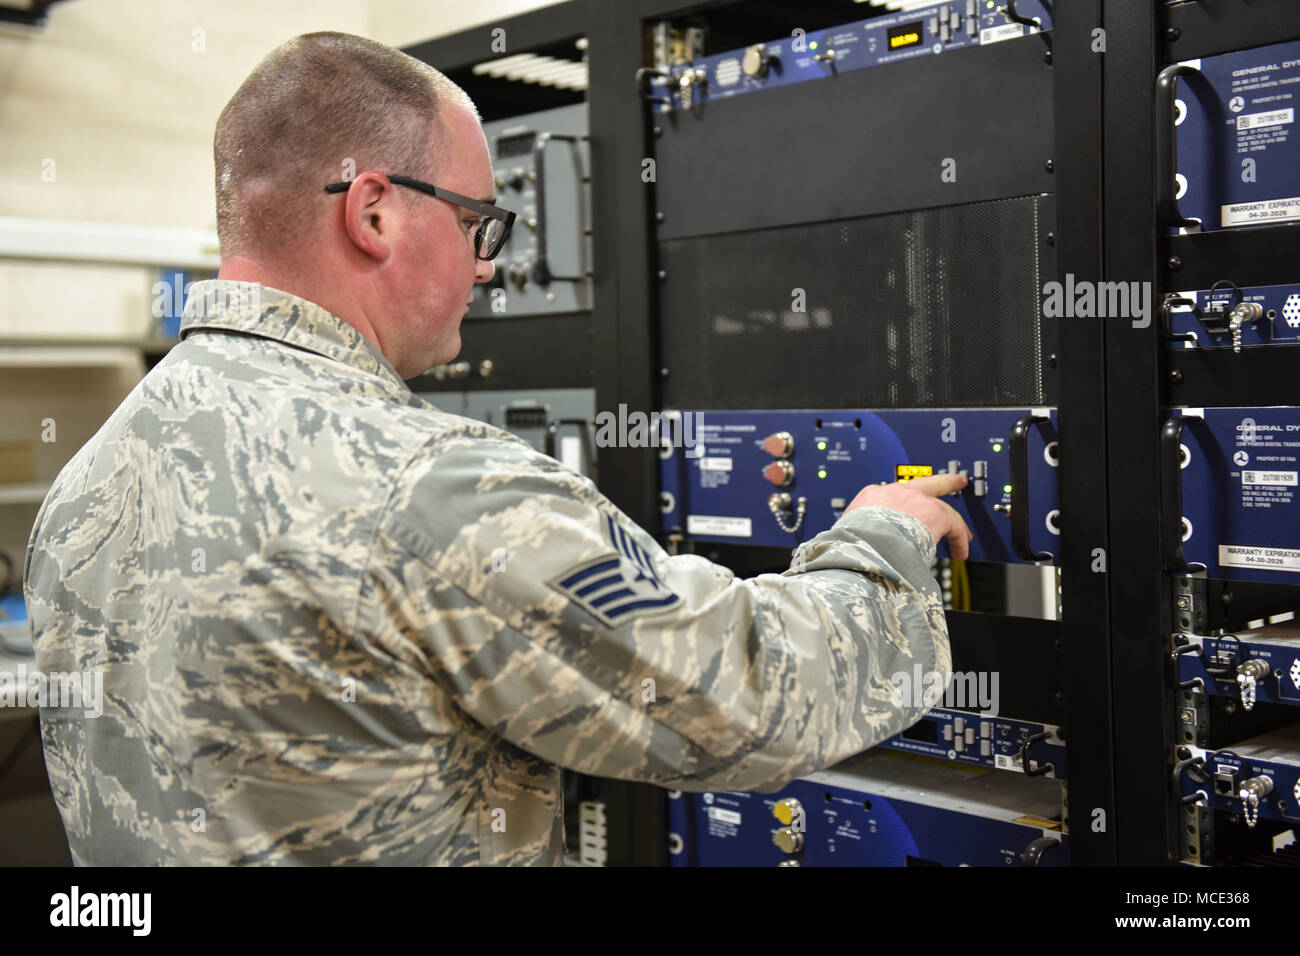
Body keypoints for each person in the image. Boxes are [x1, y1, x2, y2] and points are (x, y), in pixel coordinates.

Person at [24, 32, 972, 866]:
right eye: (478, 225)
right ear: (375, 213)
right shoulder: (429, 486)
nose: (488, 266)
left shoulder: (88, 478)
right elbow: (747, 702)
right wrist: (879, 543)